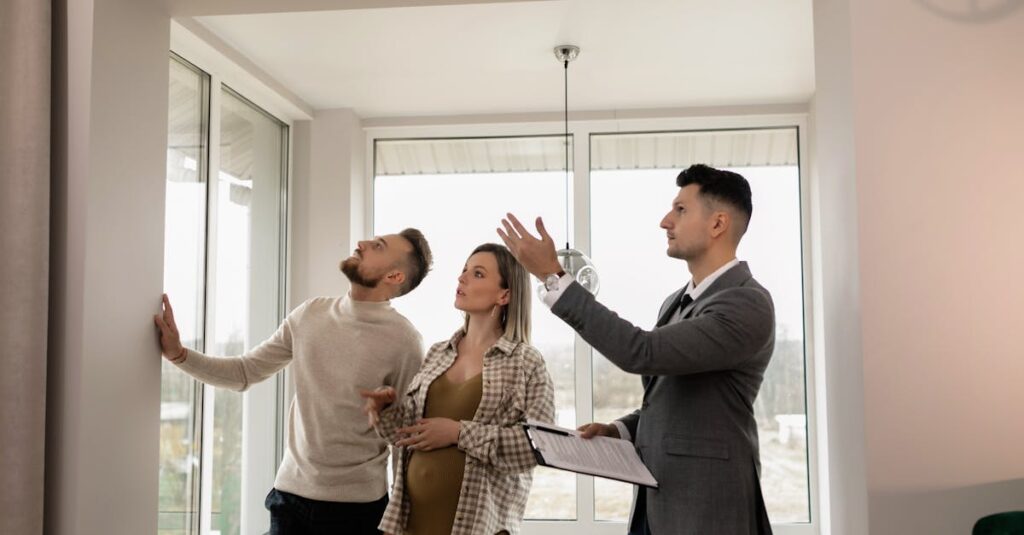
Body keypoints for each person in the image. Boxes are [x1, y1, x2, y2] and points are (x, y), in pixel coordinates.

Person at [497, 164, 776, 535]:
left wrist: (555, 278)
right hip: (656, 502)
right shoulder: (674, 304)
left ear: (718, 224)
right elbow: (679, 399)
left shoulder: (746, 303)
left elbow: (641, 352)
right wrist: (620, 430)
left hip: (708, 506)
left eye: (680, 210)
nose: (665, 221)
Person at [153, 229, 433, 535]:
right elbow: (246, 372)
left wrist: (402, 523)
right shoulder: (310, 314)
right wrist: (179, 355)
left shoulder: (406, 342)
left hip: (358, 509)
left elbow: (405, 440)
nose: (362, 244)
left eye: (377, 246)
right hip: (289, 498)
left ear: (394, 276)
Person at [361, 243, 554, 535]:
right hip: (408, 526)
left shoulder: (527, 362)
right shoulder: (438, 353)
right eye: (464, 270)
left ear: (505, 294)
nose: (461, 278)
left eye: (477, 274)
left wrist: (458, 433)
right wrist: (386, 411)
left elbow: (539, 447)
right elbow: (406, 435)